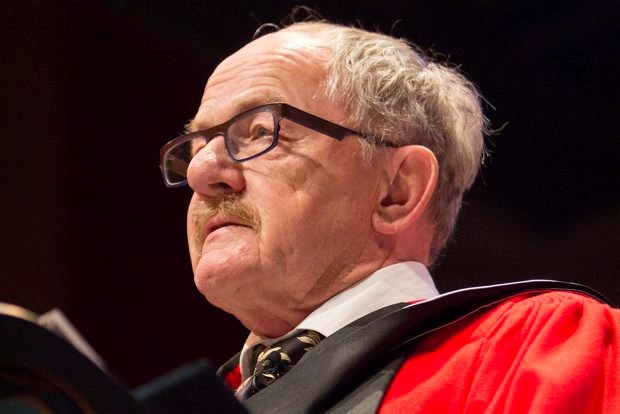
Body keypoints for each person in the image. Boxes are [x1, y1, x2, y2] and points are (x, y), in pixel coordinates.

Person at [159, 21, 620, 413]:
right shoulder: (203, 400)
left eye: (261, 131)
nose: (201, 172)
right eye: (197, 146)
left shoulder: (543, 348)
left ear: (397, 191)